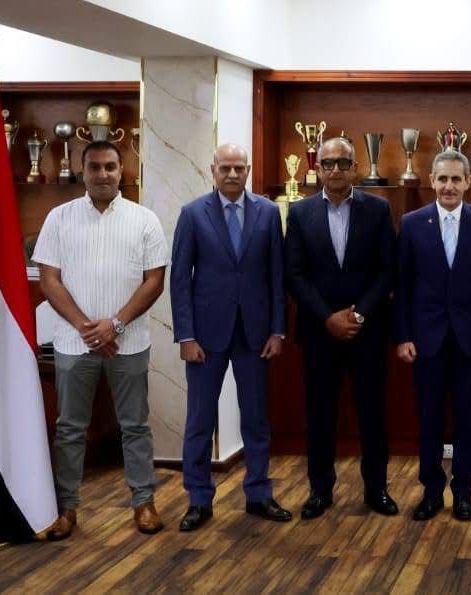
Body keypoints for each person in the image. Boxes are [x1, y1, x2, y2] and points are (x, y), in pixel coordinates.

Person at [33, 140, 169, 538]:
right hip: (74, 343)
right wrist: (86, 328)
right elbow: (49, 280)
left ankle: (143, 503)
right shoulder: (59, 218)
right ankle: (66, 509)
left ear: (122, 170)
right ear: (83, 171)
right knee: (69, 428)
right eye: (95, 167)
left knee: (135, 426)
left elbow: (154, 281)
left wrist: (115, 325)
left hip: (129, 342)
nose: (103, 174)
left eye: (110, 166)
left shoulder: (144, 220)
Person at [170, 143, 292, 531]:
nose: (233, 174)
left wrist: (277, 330)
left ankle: (258, 494)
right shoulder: (193, 214)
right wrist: (186, 336)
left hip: (255, 335)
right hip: (205, 337)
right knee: (199, 421)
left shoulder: (268, 213)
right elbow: (180, 281)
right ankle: (198, 499)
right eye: (225, 168)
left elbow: (277, 276)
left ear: (248, 170)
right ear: (213, 170)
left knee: (256, 419)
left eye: (239, 168)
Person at [285, 137, 398, 519]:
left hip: (368, 332)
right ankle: (320, 491)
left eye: (343, 163)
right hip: (319, 333)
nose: (335, 169)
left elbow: (388, 270)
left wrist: (359, 315)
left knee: (373, 414)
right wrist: (327, 318)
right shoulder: (299, 213)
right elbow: (294, 274)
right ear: (317, 168)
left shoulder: (378, 210)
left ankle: (377, 490)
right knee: (319, 415)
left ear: (355, 168)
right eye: (328, 163)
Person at [395, 150, 471, 522]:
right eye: (442, 179)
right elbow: (403, 285)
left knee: (468, 419)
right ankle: (431, 492)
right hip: (426, 340)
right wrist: (403, 335)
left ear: (468, 181)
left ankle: (464, 492)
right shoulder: (411, 223)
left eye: (456, 179)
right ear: (432, 180)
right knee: (429, 419)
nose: (449, 186)